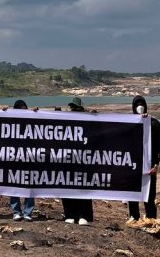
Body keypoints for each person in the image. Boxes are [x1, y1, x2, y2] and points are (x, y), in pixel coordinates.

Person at [127, 95, 160, 222]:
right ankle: (134, 218)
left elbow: (159, 147)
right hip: (133, 167)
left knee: (150, 196)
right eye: (137, 104)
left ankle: (151, 219)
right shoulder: (129, 124)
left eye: (141, 104)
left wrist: (156, 165)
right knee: (132, 195)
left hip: (149, 167)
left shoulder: (154, 124)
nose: (139, 106)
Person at [61, 97, 95, 226]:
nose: (74, 110)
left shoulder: (88, 120)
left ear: (81, 108)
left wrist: (95, 116)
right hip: (68, 161)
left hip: (84, 161)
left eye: (76, 108)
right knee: (67, 186)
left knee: (83, 187)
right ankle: (69, 214)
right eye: (72, 108)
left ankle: (82, 215)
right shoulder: (66, 120)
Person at [7, 99, 35, 221]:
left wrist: (37, 113)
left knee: (30, 185)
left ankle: (28, 212)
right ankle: (16, 212)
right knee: (14, 184)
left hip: (29, 158)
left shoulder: (31, 121)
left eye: (25, 110)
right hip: (14, 158)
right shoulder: (11, 121)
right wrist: (3, 112)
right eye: (20, 110)